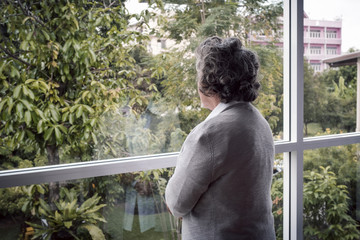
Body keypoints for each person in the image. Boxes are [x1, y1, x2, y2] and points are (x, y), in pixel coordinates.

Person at [165, 36, 276, 240]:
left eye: (198, 74)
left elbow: (176, 204)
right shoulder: (259, 121)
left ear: (209, 81)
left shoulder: (210, 134)